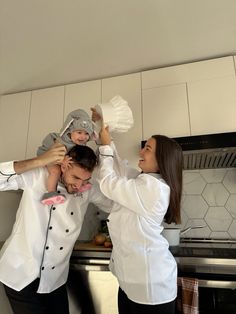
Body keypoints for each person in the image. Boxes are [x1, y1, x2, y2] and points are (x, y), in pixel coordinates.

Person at [0, 142, 112, 314]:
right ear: (64, 165)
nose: (79, 186)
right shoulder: (38, 176)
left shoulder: (86, 190)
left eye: (85, 180)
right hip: (20, 273)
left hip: (54, 280)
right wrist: (39, 160)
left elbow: (114, 204)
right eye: (75, 178)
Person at [96, 125, 183, 314]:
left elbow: (108, 183)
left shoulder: (154, 188)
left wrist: (105, 147)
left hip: (150, 287)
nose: (140, 151)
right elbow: (120, 171)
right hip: (132, 282)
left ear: (162, 159)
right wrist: (106, 139)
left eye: (148, 148)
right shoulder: (144, 182)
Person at [37, 109, 97, 205]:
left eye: (86, 134)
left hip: (64, 161)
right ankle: (51, 192)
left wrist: (95, 118)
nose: (83, 137)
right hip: (50, 156)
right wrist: (62, 160)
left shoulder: (80, 142)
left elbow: (91, 128)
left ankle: (84, 183)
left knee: (83, 172)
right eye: (79, 132)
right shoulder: (62, 142)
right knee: (55, 171)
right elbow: (53, 154)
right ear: (70, 130)